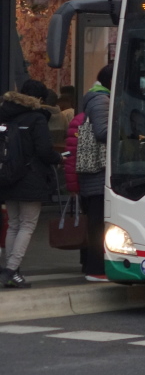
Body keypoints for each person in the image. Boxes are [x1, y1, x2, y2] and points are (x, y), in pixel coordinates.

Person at [0, 80, 62, 288]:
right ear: (40, 99)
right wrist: (59, 159)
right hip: (31, 178)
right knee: (27, 225)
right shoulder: (37, 118)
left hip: (7, 176)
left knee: (14, 224)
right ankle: (11, 270)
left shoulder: (5, 113)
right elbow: (44, 150)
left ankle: (12, 268)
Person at [78, 64, 112, 282]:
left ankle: (91, 266)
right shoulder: (101, 100)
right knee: (98, 222)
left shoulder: (96, 97)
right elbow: (103, 132)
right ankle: (96, 268)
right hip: (98, 172)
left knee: (96, 221)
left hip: (93, 173)